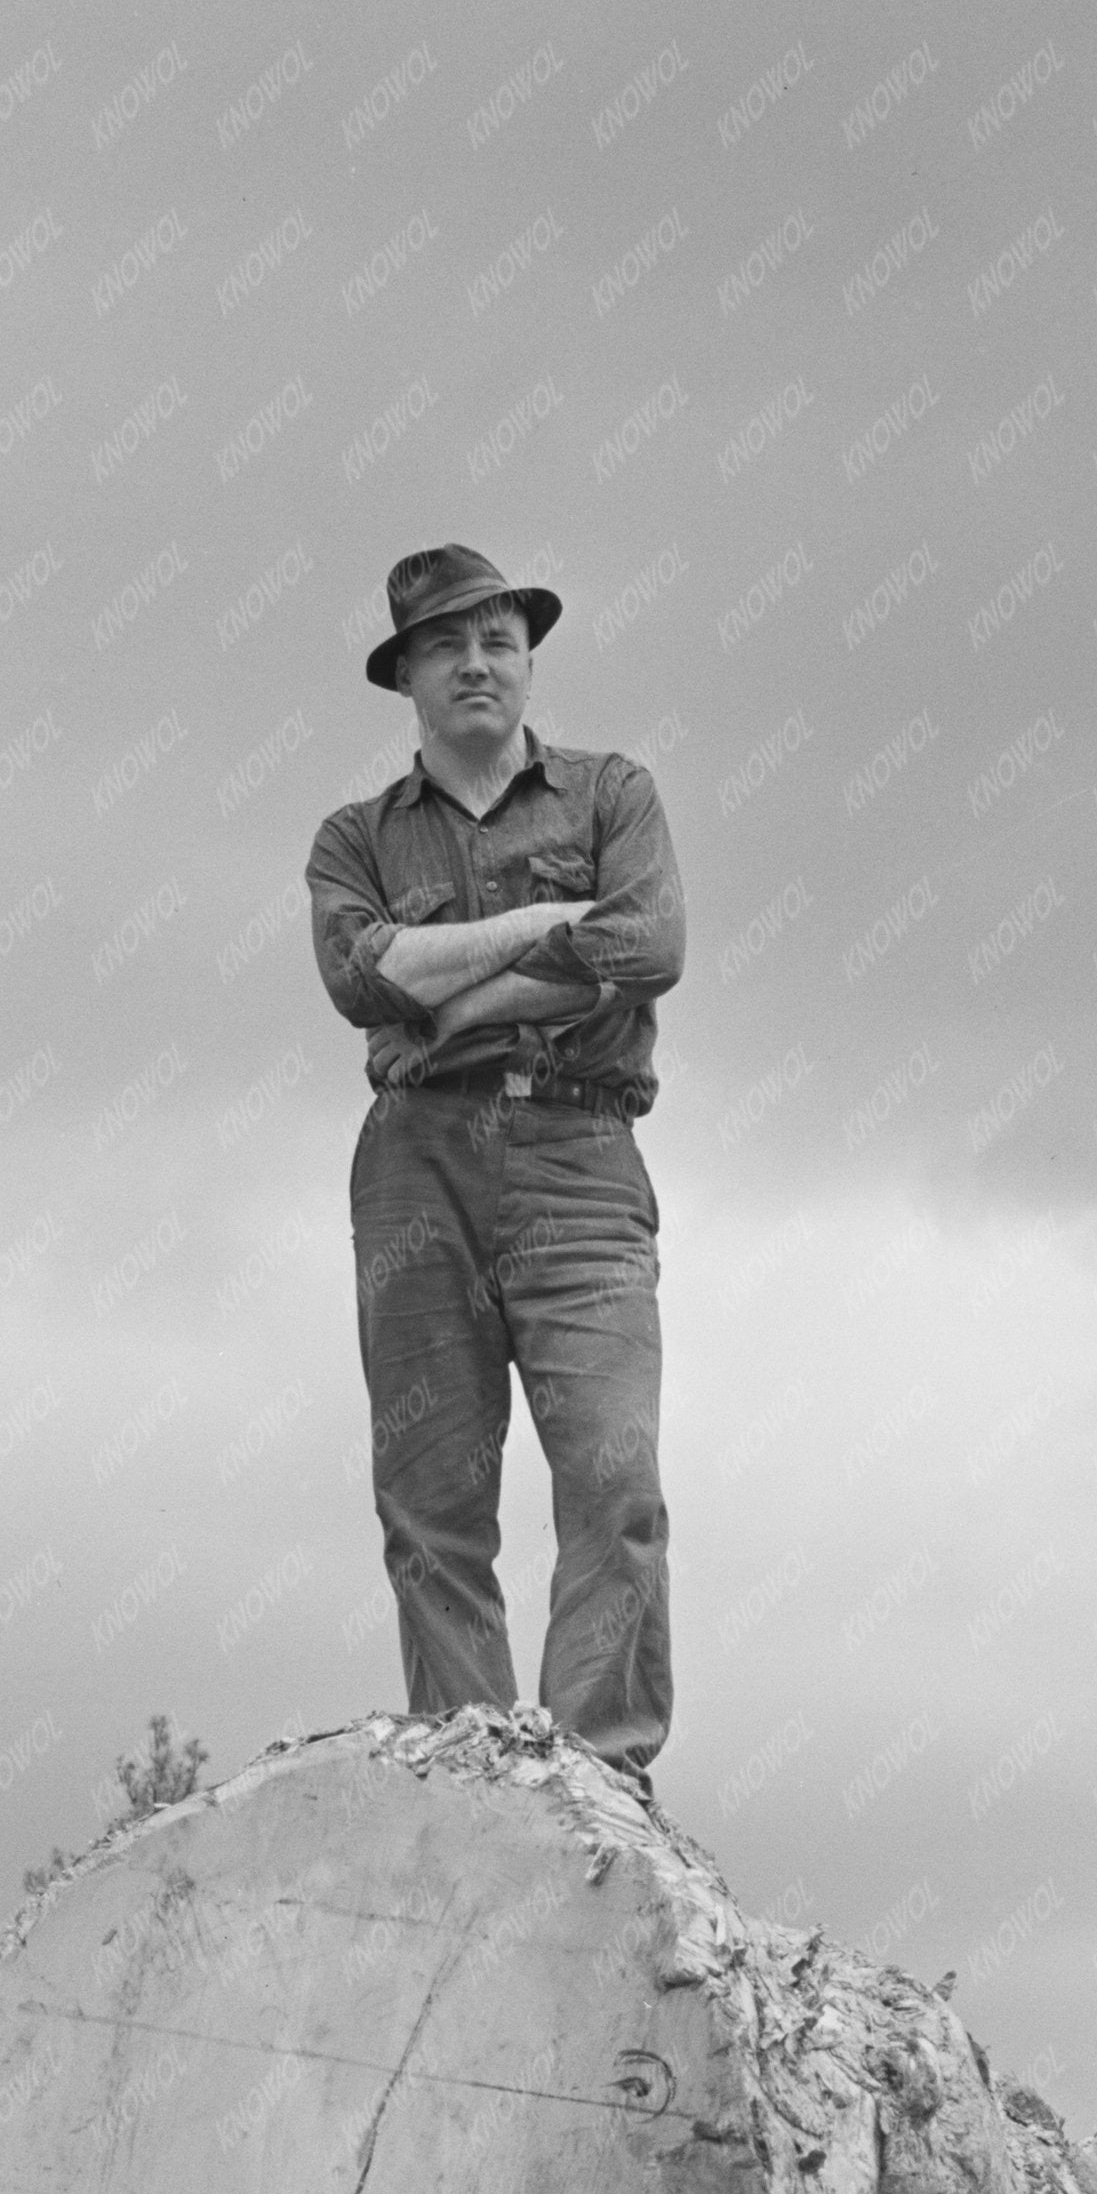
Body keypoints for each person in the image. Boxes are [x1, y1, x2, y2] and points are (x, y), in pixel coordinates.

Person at [303, 545, 686, 1777]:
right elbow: (360, 978)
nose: (478, 663)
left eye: (500, 641)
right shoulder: (354, 839)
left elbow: (652, 942)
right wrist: (546, 934)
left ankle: (596, 1782)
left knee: (615, 1484)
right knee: (431, 1507)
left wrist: (451, 995)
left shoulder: (609, 794)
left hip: (580, 1152)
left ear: (527, 661)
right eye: (448, 645)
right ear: (405, 674)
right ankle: (472, 1788)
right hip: (417, 1172)